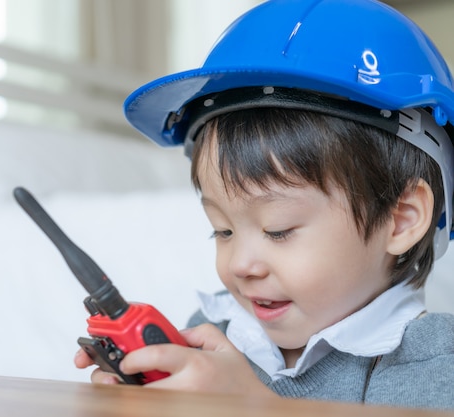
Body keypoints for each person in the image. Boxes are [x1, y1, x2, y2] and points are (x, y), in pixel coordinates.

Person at [75, 0, 454, 410]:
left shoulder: (433, 361)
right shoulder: (211, 335)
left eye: (278, 230)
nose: (240, 265)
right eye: (223, 230)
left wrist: (252, 404)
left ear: (401, 220)